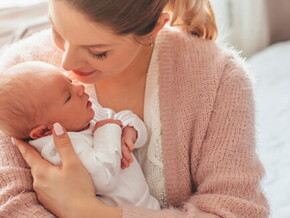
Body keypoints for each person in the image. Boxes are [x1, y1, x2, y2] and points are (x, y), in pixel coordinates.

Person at [0, 0, 269, 217]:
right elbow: (11, 207)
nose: (67, 63)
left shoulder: (219, 79)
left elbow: (236, 210)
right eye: (57, 30)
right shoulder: (16, 77)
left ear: (155, 28)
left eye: (98, 52)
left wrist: (86, 211)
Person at [0, 61, 160, 210]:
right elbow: (103, 179)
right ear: (43, 131)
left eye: (69, 81)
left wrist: (129, 131)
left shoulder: (83, 117)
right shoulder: (59, 149)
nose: (80, 87)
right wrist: (107, 130)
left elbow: (119, 118)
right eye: (68, 96)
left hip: (148, 207)